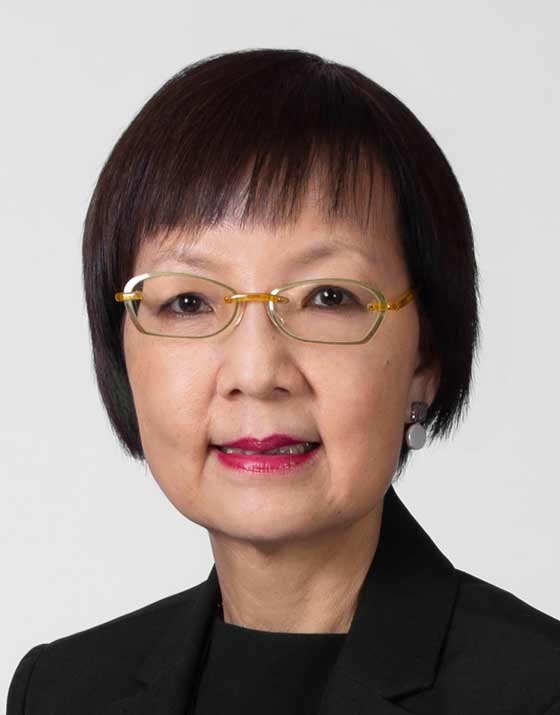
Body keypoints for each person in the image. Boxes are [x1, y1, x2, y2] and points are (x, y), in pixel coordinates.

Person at [7, 48, 560, 714]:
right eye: (189, 301)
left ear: (425, 359)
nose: (256, 373)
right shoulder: (60, 692)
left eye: (329, 296)